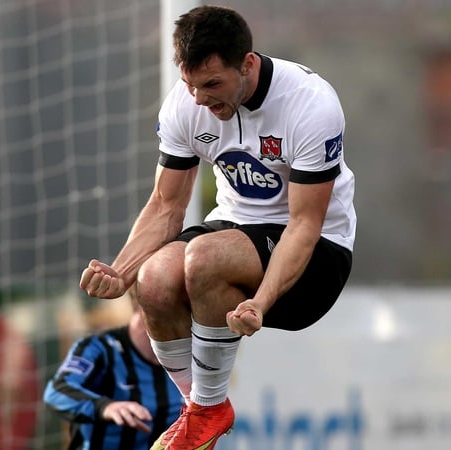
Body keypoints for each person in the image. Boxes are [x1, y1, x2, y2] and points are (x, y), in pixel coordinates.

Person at [79, 5, 356, 450]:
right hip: (232, 229)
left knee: (203, 258)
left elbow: (305, 224)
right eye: (190, 86)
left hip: (317, 258)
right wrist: (121, 270)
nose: (200, 99)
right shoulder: (186, 106)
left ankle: (206, 411)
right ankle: (199, 415)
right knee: (153, 278)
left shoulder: (310, 103)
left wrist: (261, 303)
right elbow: (167, 205)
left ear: (246, 64)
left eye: (212, 85)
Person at [43, 296, 185, 449]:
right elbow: (57, 392)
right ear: (142, 307)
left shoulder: (192, 356)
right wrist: (105, 407)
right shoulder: (100, 349)